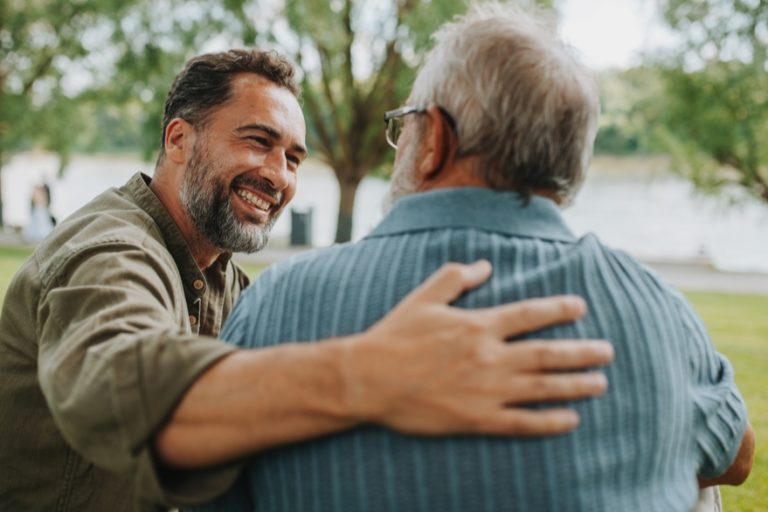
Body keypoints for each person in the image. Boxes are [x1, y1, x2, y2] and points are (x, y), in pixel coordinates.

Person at [0, 49, 616, 511]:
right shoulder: (109, 251)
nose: (278, 175)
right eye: (258, 141)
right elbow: (130, 394)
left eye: (293, 157)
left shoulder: (226, 281)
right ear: (179, 139)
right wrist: (375, 374)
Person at [200, 4, 755, 512]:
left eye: (406, 123)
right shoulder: (659, 310)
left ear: (436, 139)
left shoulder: (276, 305)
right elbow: (738, 455)